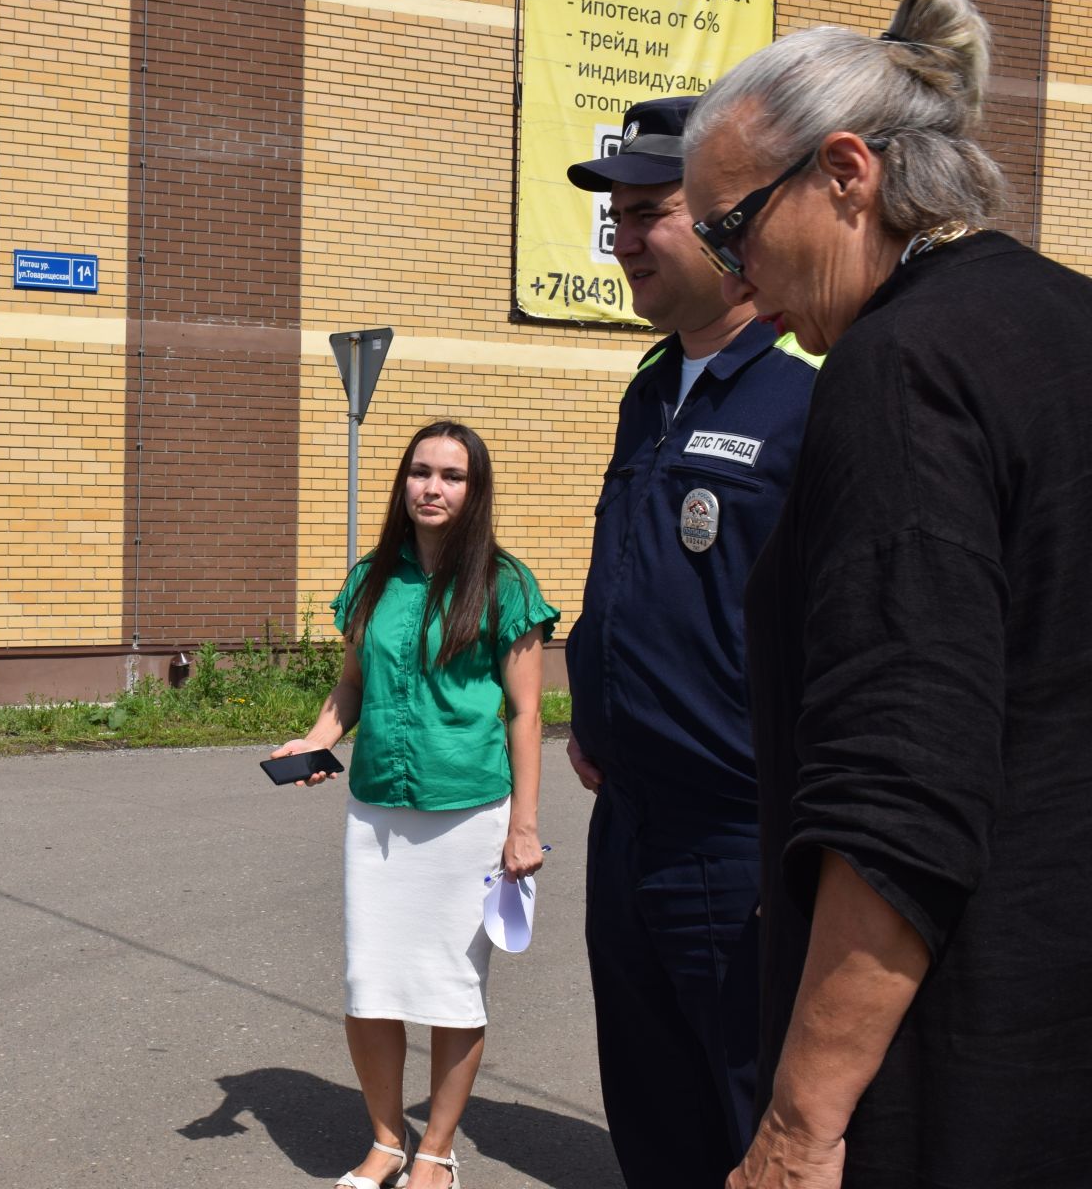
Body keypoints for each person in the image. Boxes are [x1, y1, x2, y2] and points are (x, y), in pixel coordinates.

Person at [682, 0, 1092, 1186]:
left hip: (966, 1069)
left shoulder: (899, 369)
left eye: (730, 228)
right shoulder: (1064, 321)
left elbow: (899, 790)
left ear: (848, 174)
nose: (732, 277)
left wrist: (798, 1126)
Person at [562, 97, 818, 1186]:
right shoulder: (650, 392)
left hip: (732, 838)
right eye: (613, 217)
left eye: (648, 212)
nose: (623, 238)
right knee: (652, 1111)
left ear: (727, 230)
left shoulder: (808, 404)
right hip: (626, 828)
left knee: (744, 1117)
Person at [273, 421, 557, 1189]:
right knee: (371, 985)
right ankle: (383, 1141)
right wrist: (313, 739)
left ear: (474, 491)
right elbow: (352, 686)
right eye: (420, 472)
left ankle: (436, 1148)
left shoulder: (506, 584)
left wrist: (524, 827)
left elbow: (527, 715)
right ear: (403, 484)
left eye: (451, 476)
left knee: (452, 989)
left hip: (469, 816)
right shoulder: (373, 579)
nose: (432, 488)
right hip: (379, 818)